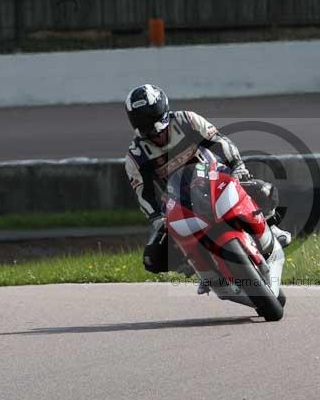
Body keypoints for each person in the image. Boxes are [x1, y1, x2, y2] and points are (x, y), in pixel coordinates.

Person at [122, 84, 290, 291]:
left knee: (263, 190)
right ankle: (201, 266)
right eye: (142, 119)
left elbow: (218, 141)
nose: (156, 136)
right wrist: (157, 218)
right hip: (178, 201)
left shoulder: (187, 120)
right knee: (153, 258)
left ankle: (271, 226)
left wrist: (237, 167)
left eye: (152, 118)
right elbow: (143, 193)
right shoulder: (136, 156)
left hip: (215, 177)